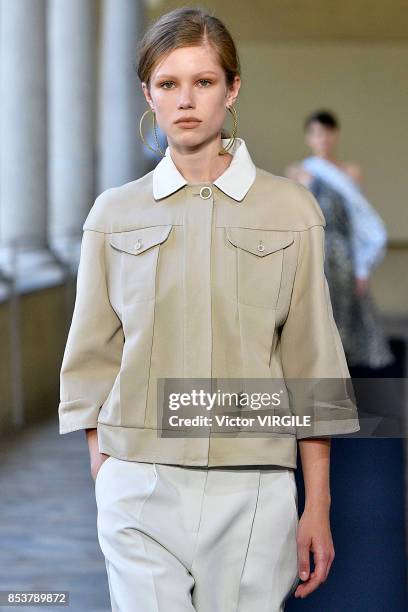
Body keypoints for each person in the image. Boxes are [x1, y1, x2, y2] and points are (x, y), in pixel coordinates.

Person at [58, 9, 360, 612]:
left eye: (204, 81)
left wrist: (317, 504)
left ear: (233, 88)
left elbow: (312, 363)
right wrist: (108, 478)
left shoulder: (290, 210)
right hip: (138, 482)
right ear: (148, 93)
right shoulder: (114, 214)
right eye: (168, 84)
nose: (186, 100)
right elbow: (92, 357)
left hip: (252, 489)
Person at [285, 110, 394, 370]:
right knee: (312, 315)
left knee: (344, 315)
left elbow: (359, 221)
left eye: (326, 133)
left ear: (335, 135)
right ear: (308, 137)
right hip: (313, 252)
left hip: (343, 254)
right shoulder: (299, 172)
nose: (322, 139)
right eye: (316, 134)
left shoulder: (349, 172)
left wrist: (362, 267)